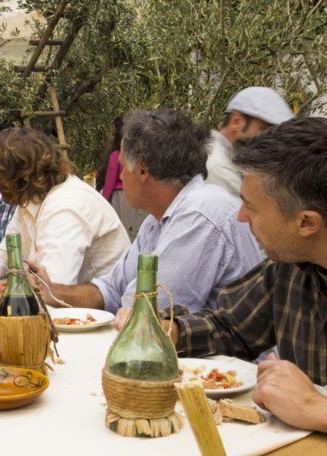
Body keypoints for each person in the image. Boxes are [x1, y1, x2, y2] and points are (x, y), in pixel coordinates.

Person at [133, 117, 327, 433]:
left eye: (251, 207)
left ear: (306, 223)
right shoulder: (289, 268)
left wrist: (317, 409)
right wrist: (174, 331)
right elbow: (233, 326)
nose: (240, 216)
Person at [28, 109, 262, 314]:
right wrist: (50, 289)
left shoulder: (200, 214)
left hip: (235, 364)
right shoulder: (157, 219)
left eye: (122, 166)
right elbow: (110, 290)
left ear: (142, 169)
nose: (120, 176)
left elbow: (145, 310)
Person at [0, 127, 130, 285]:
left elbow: (54, 285)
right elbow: (5, 255)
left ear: (19, 175)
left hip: (104, 318)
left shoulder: (66, 205)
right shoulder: (31, 200)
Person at [206, 87, 294, 196]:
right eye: (264, 129)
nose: (269, 137)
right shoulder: (219, 165)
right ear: (236, 122)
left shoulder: (229, 156)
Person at [99, 116, 147, 240]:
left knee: (123, 231)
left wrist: (102, 202)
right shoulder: (139, 155)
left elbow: (109, 183)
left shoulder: (116, 155)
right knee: (136, 228)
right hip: (137, 195)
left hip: (119, 198)